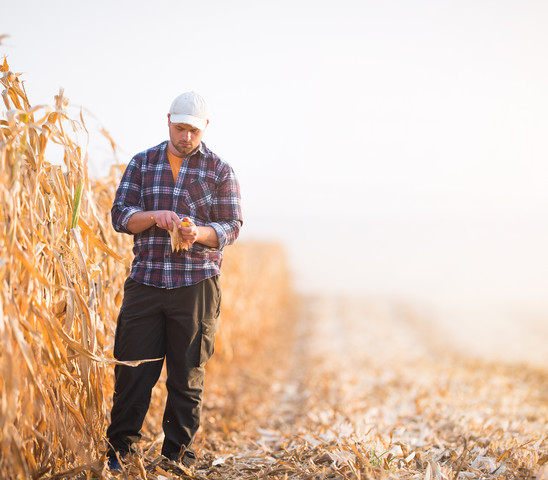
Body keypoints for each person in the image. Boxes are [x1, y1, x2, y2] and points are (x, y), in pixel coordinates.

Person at [106, 91, 242, 470]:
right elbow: (121, 216)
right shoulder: (142, 163)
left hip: (196, 285)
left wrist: (197, 233)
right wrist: (156, 215)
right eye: (180, 128)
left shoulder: (219, 170)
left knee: (187, 377)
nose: (186, 137)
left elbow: (232, 226)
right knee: (133, 372)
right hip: (146, 282)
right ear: (168, 121)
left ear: (205, 129)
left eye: (193, 131)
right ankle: (120, 456)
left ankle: (177, 458)